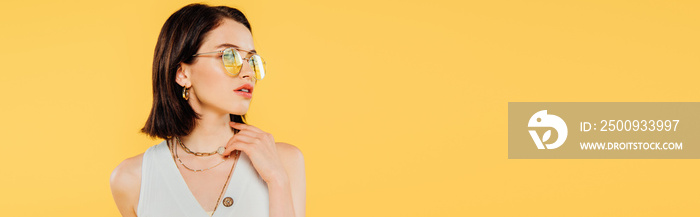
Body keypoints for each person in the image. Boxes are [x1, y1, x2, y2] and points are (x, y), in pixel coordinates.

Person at [109, 3, 306, 217]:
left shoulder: (285, 161)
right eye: (229, 56)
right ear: (183, 73)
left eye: (251, 60)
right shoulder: (132, 178)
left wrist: (277, 178)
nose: (248, 72)